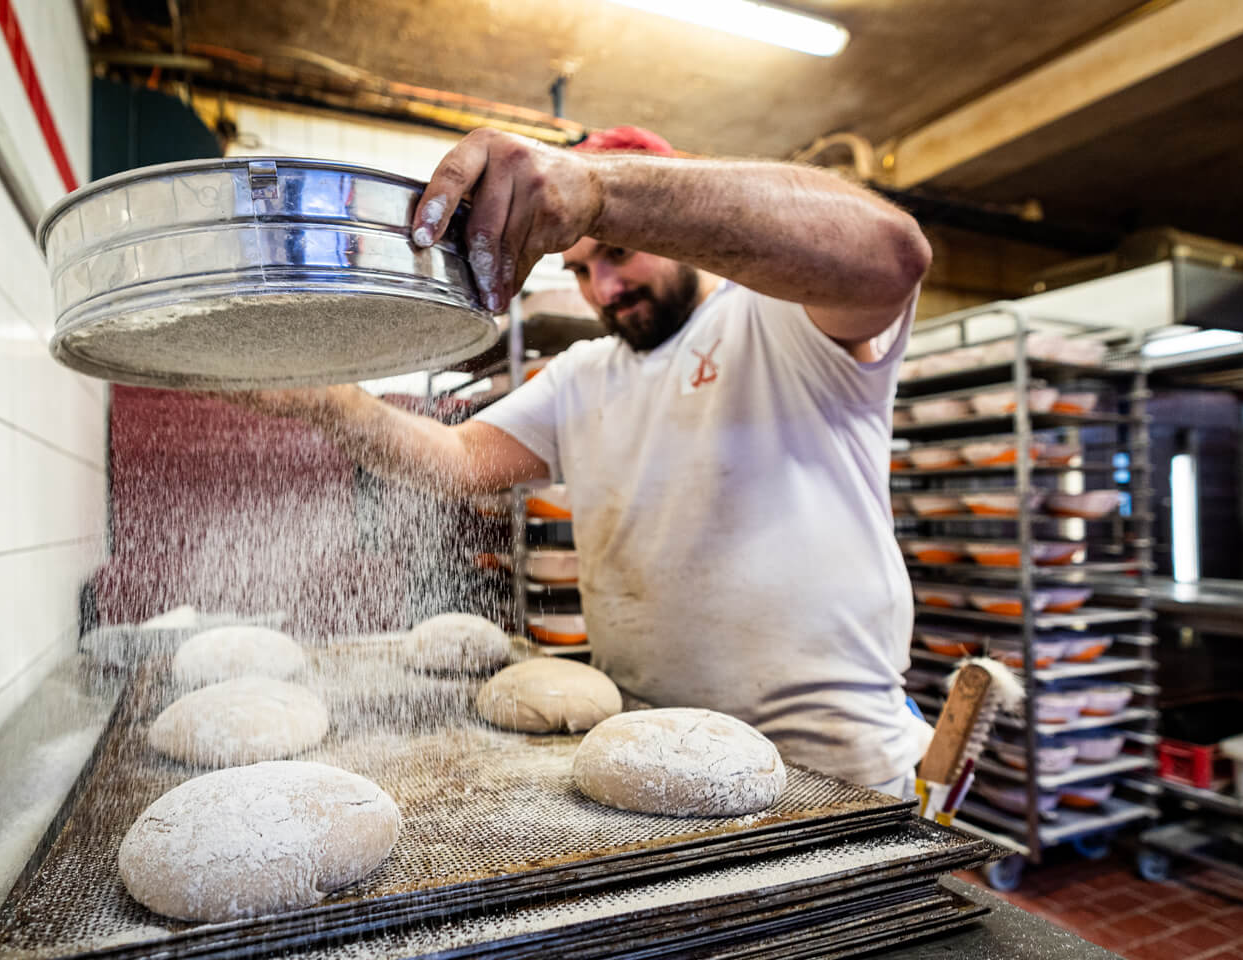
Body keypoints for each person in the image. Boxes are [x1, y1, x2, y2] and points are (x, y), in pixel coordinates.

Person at [240, 125, 933, 794]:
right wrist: (331, 402)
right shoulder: (585, 374)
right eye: (580, 270)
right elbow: (456, 460)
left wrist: (596, 190)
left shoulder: (780, 320)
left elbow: (894, 255)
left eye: (620, 254)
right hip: (650, 745)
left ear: (673, 230)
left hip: (828, 757)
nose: (603, 290)